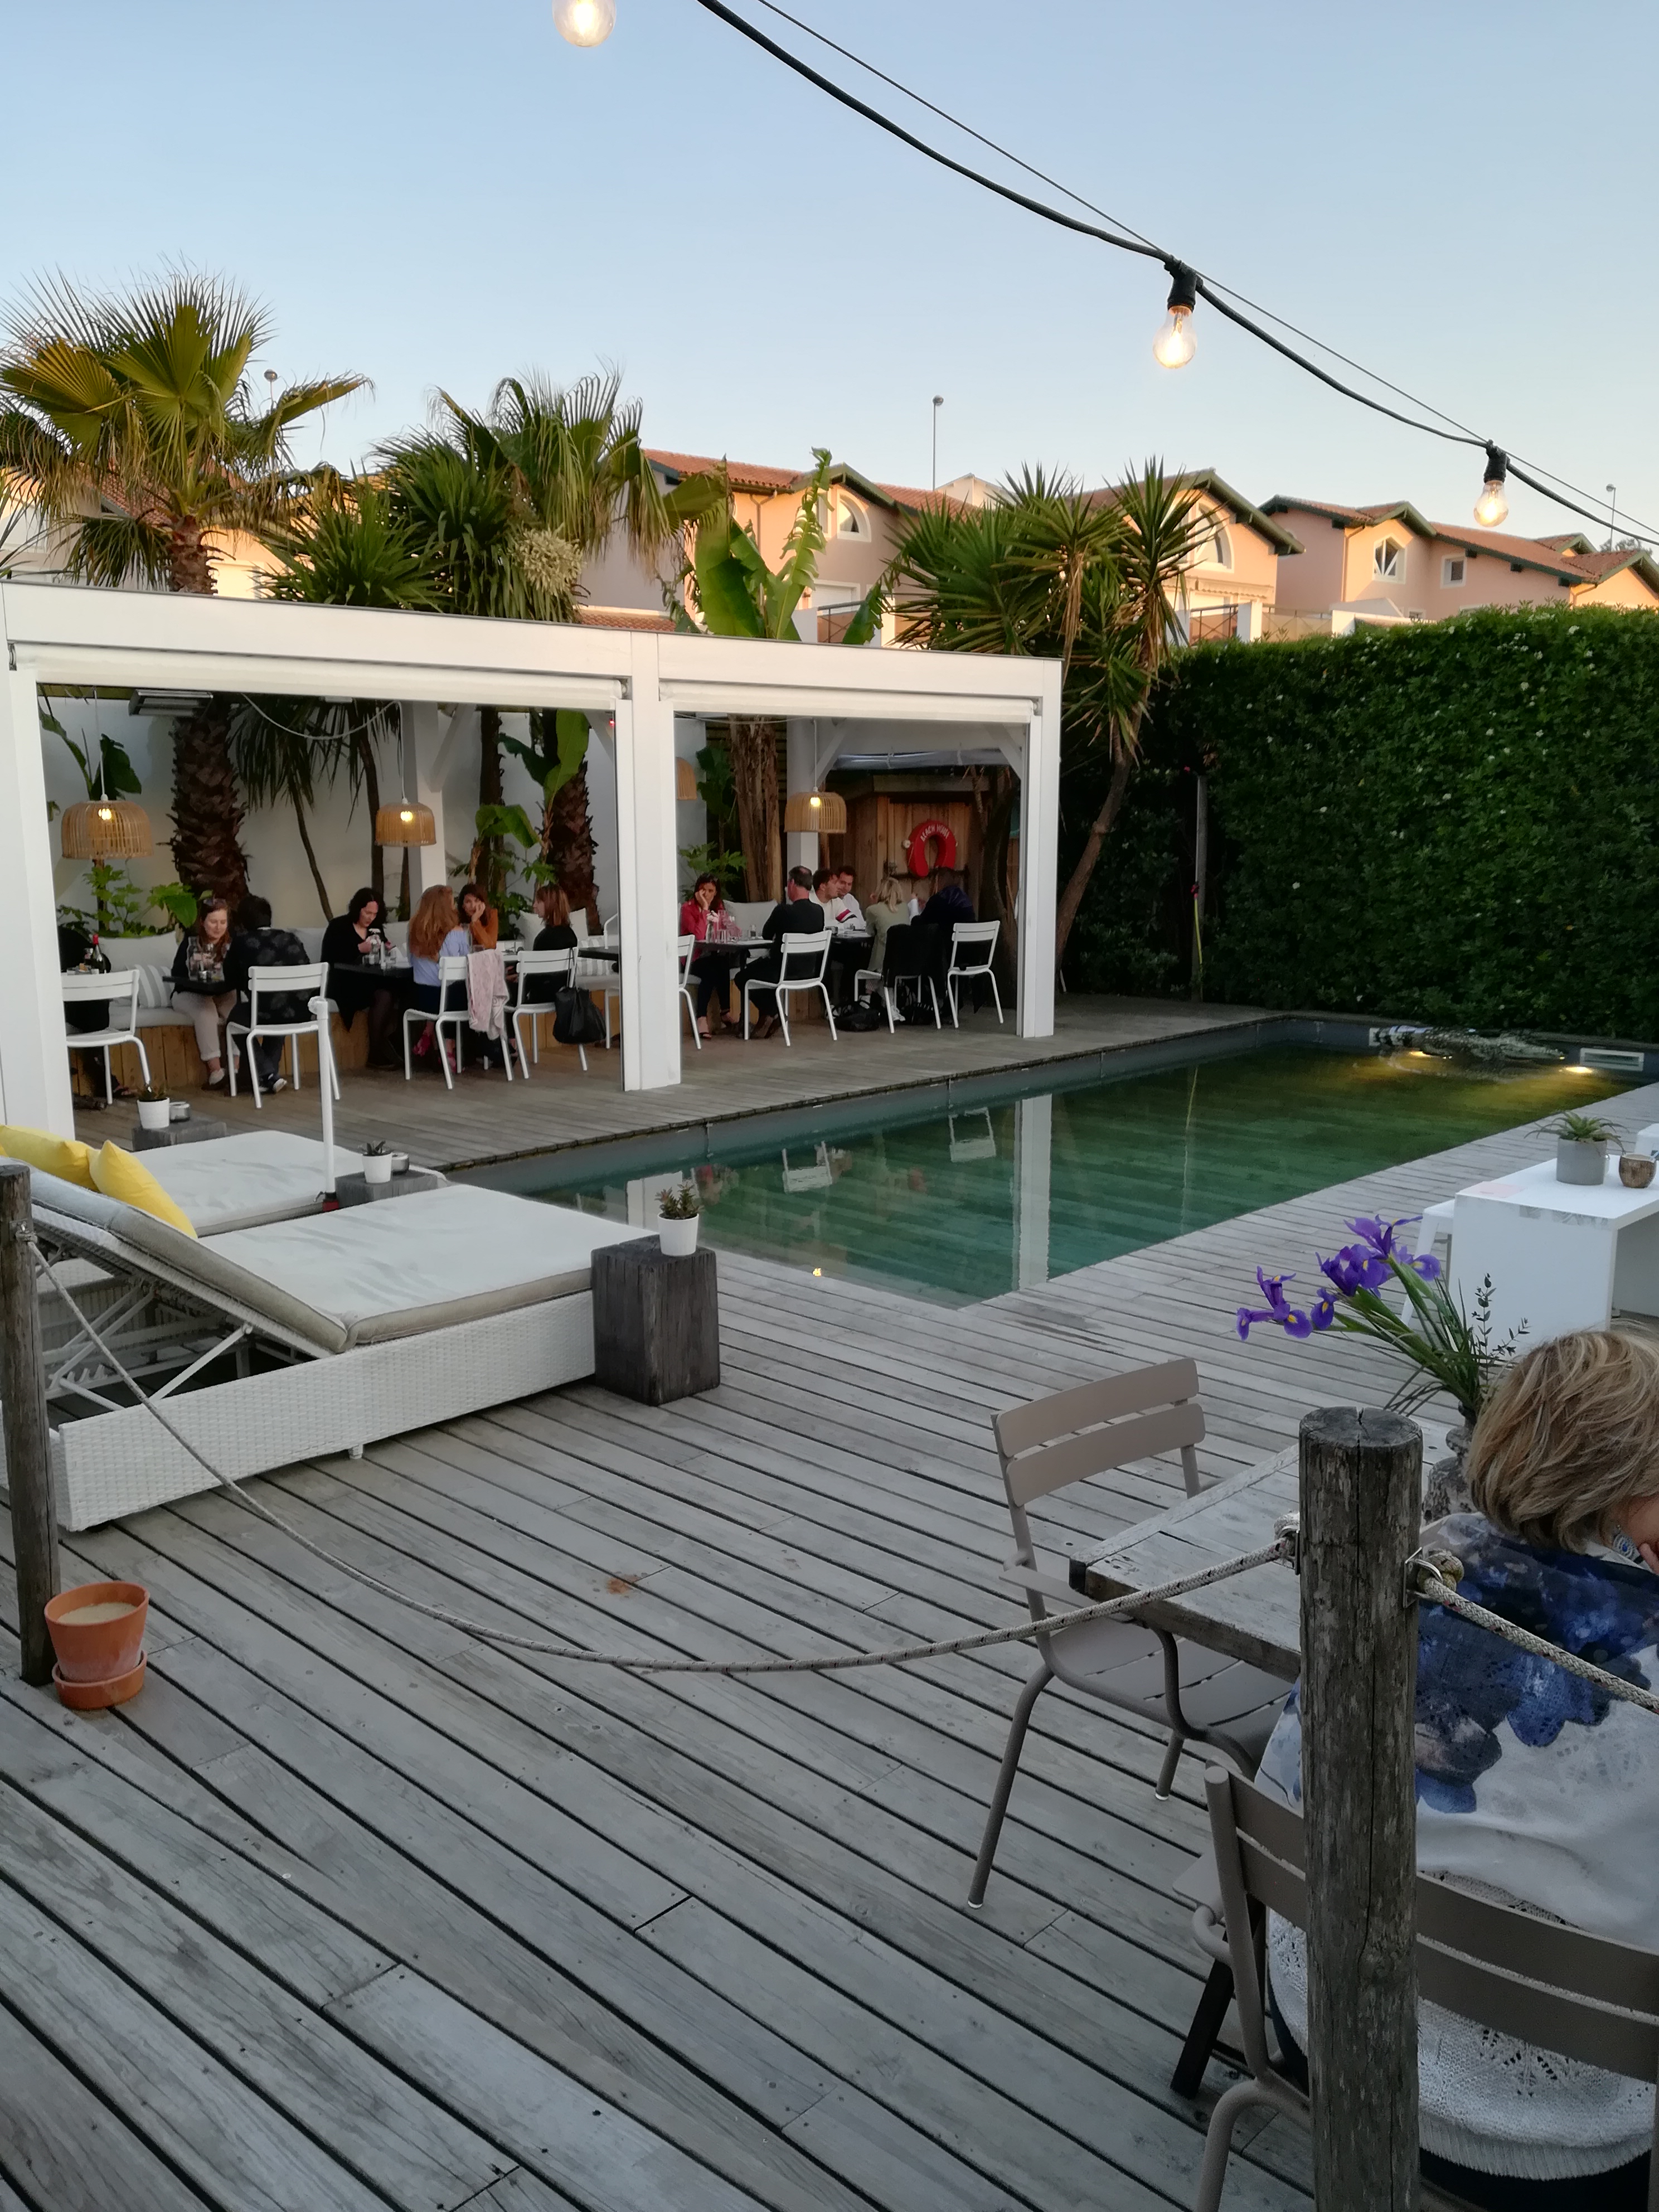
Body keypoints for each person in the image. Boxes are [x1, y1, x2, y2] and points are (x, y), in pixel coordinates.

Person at [1257, 1329, 1659, 2210]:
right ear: (1635, 1483)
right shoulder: (1640, 1644)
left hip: (1320, 2021)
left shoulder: (1400, 1559)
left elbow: (1284, 1779)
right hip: (1561, 2134)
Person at [224, 895, 311, 1092]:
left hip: (266, 1012)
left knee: (236, 1018)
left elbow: (231, 979)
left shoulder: (242, 943)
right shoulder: (291, 939)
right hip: (300, 1012)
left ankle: (267, 1073)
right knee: (278, 1008)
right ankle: (265, 1078)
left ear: (243, 922)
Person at [743, 865, 824, 1040]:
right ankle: (770, 1015)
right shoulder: (819, 912)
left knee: (743, 977)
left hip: (781, 970)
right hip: (809, 972)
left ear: (792, 883)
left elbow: (766, 935)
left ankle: (773, 1012)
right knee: (759, 973)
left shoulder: (783, 910)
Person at [321, 888, 400, 1068]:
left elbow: (381, 951)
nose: (370, 918)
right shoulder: (338, 926)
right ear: (358, 909)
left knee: (395, 989)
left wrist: (386, 949)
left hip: (369, 978)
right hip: (343, 982)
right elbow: (329, 957)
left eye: (374, 914)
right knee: (383, 994)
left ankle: (393, 1042)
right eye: (367, 913)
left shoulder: (376, 929)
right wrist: (358, 949)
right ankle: (377, 1051)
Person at [169, 895, 237, 1087]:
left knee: (238, 1010)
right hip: (188, 993)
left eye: (223, 922)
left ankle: (236, 1069)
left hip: (221, 993)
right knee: (207, 1012)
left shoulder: (233, 942)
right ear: (202, 921)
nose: (219, 927)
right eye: (213, 922)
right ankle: (216, 1072)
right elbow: (197, 976)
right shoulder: (192, 943)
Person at [406, 886, 471, 1075]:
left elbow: (411, 962)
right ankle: (449, 1049)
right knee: (457, 990)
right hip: (449, 1000)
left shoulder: (414, 930)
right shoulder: (457, 932)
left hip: (422, 998)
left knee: (444, 994)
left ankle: (430, 1031)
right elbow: (467, 963)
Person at [678, 872, 735, 1039]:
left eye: (711, 891)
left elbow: (733, 932)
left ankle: (725, 1012)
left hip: (712, 956)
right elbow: (699, 936)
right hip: (692, 958)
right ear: (698, 891)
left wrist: (726, 923)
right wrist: (704, 909)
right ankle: (701, 1018)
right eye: (704, 890)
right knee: (711, 972)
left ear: (716, 893)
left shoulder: (719, 908)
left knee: (723, 964)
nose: (707, 895)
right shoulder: (687, 909)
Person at [862, 873, 913, 971]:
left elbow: (870, 932)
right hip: (904, 963)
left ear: (880, 891)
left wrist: (874, 904)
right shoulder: (905, 907)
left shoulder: (873, 910)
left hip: (882, 966)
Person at [917, 866, 974, 931]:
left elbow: (922, 924)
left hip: (947, 935)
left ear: (939, 881)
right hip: (968, 935)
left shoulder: (939, 898)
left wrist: (915, 913)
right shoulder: (965, 898)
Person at [457, 882, 498, 949]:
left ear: (483, 903)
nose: (473, 906)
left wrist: (475, 922)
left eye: (477, 901)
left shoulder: (491, 915)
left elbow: (490, 946)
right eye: (468, 902)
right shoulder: (456, 918)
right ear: (463, 905)